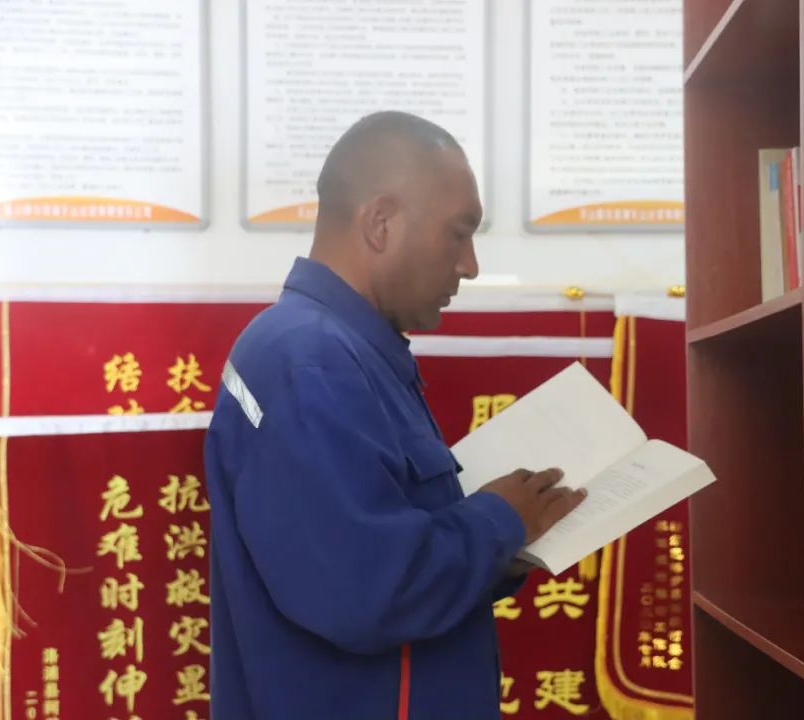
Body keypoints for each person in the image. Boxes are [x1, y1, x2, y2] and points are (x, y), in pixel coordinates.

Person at [203, 110, 586, 720]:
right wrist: (498, 520)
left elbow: (370, 551)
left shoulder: (339, 348)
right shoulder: (312, 361)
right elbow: (366, 592)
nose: (470, 264)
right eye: (458, 233)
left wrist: (506, 546)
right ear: (380, 222)